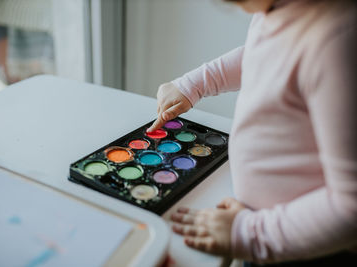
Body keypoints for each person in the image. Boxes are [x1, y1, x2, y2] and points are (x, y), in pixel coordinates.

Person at [147, 0, 357, 265]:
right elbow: (264, 55)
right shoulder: (275, 8)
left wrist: (246, 234)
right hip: (260, 228)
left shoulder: (337, 43)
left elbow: (350, 208)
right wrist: (195, 84)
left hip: (308, 247)